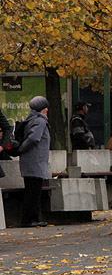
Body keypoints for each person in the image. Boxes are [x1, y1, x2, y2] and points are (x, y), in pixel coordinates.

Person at [19, 96, 52, 227]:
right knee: (33, 192)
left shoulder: (31, 119)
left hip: (30, 161)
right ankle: (30, 220)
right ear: (43, 109)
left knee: (31, 190)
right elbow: (34, 138)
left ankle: (31, 218)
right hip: (35, 161)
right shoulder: (40, 121)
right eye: (46, 108)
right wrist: (22, 148)